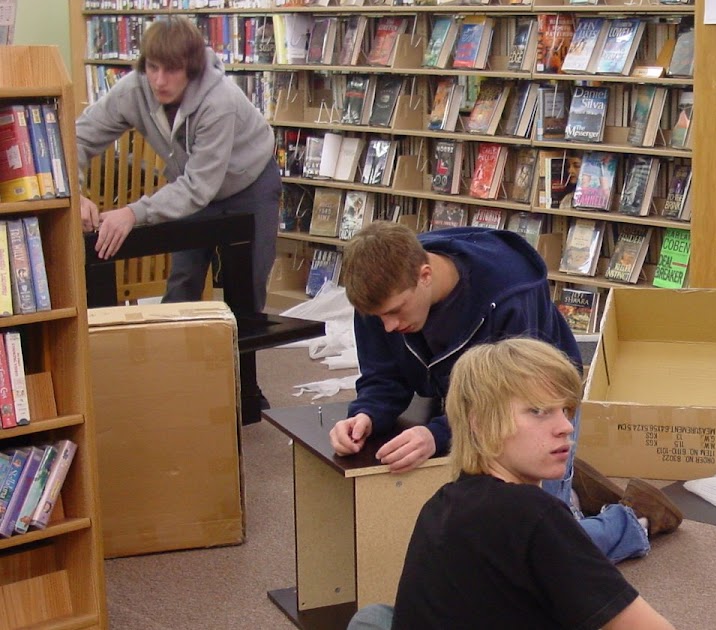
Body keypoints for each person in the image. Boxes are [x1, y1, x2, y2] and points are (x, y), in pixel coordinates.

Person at [328, 223, 681, 563]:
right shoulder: (382, 291)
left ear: (425, 275)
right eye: (379, 318)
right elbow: (383, 377)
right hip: (457, 390)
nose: (389, 326)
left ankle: (636, 518)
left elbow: (513, 403)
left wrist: (438, 433)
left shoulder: (509, 294)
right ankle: (569, 487)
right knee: (476, 529)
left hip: (538, 403)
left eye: (395, 312)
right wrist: (366, 414)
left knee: (538, 551)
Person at [348, 338, 675, 630]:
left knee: (374, 617)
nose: (565, 426)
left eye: (566, 410)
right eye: (538, 411)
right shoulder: (535, 513)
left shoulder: (442, 501)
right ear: (479, 423)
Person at [75, 17, 280, 315]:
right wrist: (73, 195)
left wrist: (134, 213)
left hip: (250, 183)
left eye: (171, 70)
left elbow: (199, 187)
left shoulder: (220, 101)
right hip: (192, 184)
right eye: (153, 67)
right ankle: (176, 358)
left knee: (248, 290)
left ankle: (234, 361)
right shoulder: (133, 90)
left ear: (192, 69)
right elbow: (77, 139)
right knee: (182, 285)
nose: (159, 81)